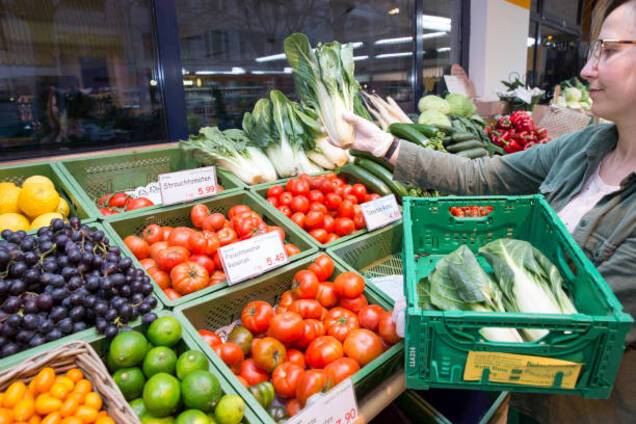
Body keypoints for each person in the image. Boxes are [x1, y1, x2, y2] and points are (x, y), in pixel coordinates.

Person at [343, 0, 636, 422]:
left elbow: (575, 331)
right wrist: (385, 146)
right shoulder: (583, 147)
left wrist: (440, 312)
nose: (588, 70)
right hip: (529, 397)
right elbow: (485, 176)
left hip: (587, 410)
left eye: (607, 51)